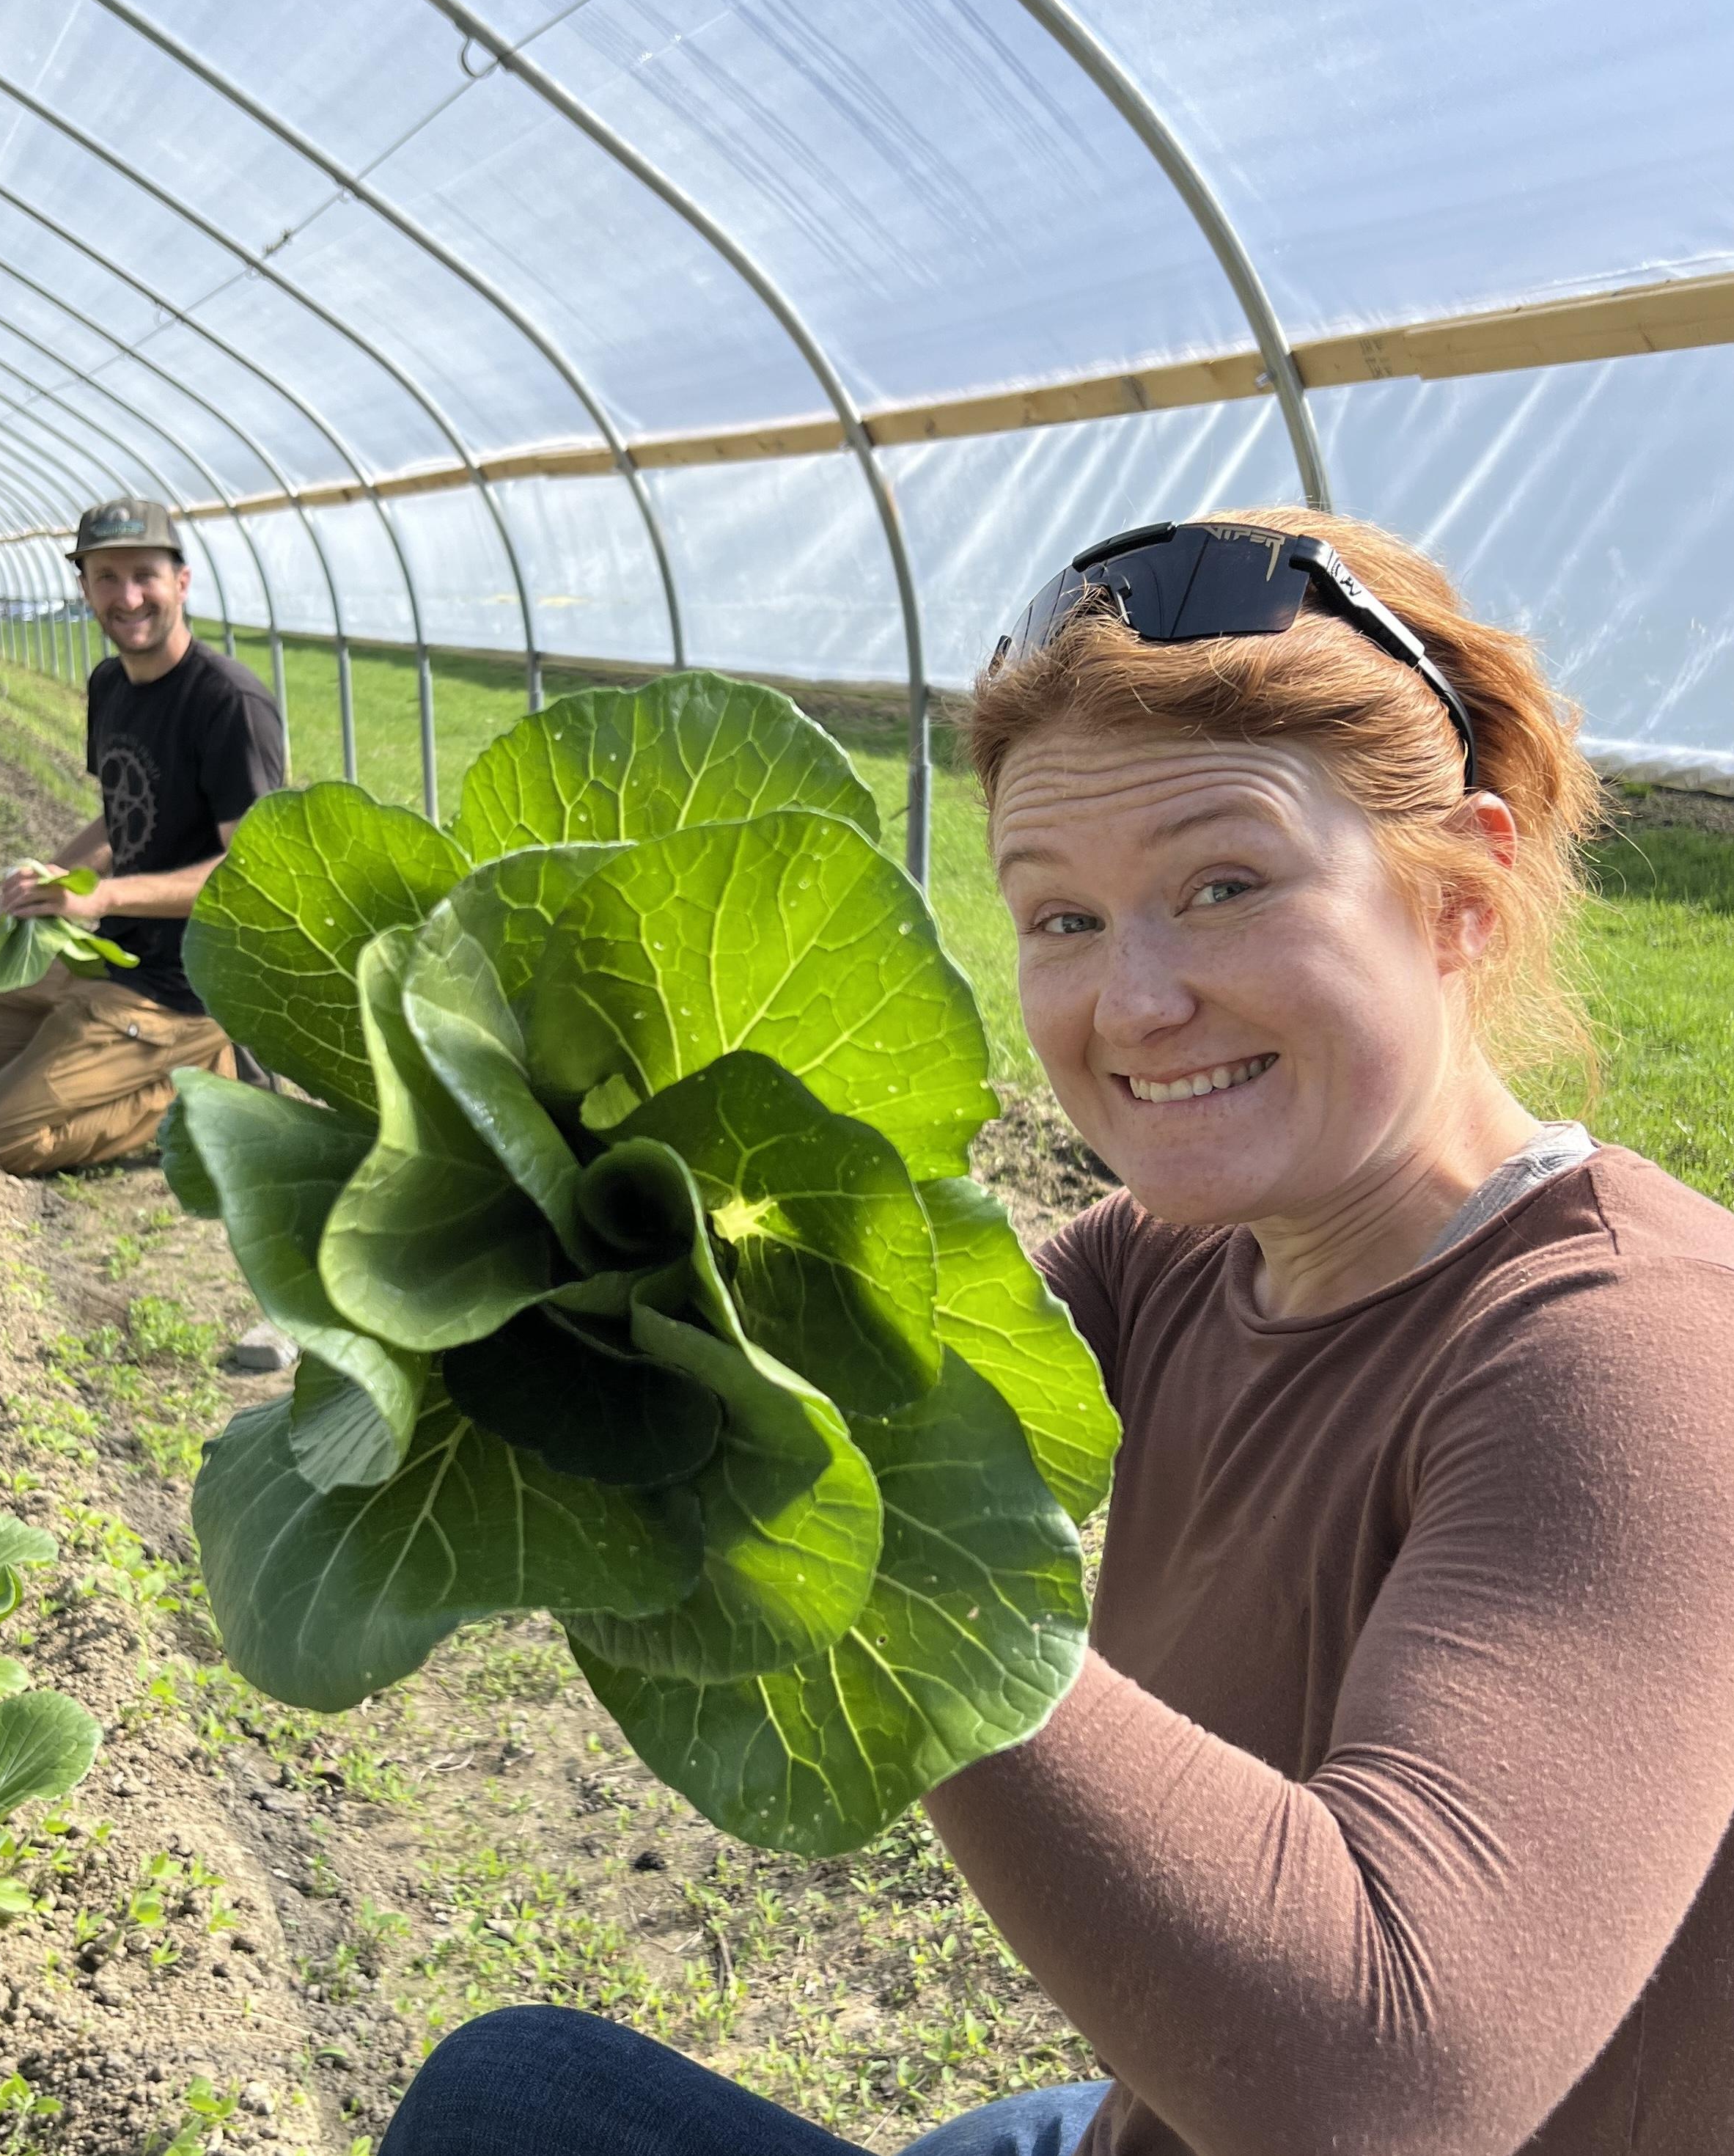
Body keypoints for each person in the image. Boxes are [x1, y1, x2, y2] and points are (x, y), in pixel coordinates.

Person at [376, 511, 1734, 2156]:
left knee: (512, 2108)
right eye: (1059, 917)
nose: (1130, 1002)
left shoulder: (1634, 1358)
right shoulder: (1179, 1249)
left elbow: (1380, 2079)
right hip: (1144, 2122)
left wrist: (852, 1539)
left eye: (1220, 884)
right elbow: (877, 1328)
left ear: (1460, 889)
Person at [0, 495, 283, 1175]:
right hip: (104, 957)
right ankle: (87, 1058)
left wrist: (102, 898)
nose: (128, 596)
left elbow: (250, 875)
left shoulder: (227, 703)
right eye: (106, 577)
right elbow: (125, 814)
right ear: (84, 587)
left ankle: (210, 1076)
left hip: (182, 988)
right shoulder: (111, 684)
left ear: (182, 582)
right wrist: (6, 902)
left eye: (145, 574)